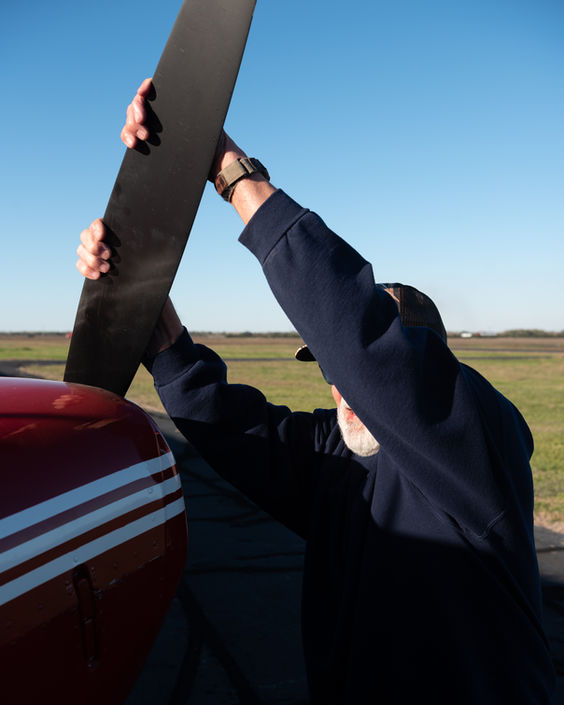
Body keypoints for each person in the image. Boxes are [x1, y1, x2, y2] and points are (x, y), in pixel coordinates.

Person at [76, 79, 556, 704]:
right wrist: (148, 312)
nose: (339, 383)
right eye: (329, 367)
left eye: (355, 363)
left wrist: (229, 170)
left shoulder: (477, 443)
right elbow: (236, 431)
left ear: (430, 371)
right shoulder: (338, 459)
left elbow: (359, 342)